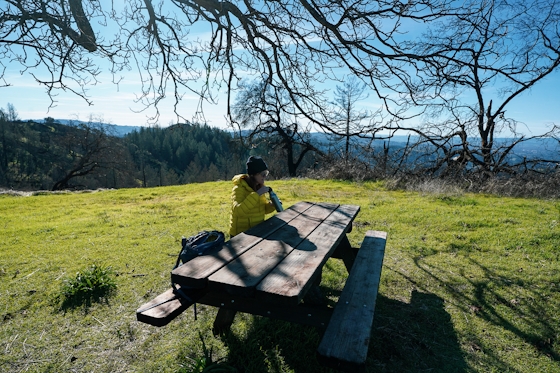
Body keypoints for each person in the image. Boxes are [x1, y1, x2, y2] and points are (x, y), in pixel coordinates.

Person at [228, 156, 276, 237]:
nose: (265, 177)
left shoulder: (259, 186)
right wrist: (256, 194)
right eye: (262, 174)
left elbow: (262, 210)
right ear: (253, 174)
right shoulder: (239, 188)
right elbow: (238, 211)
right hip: (240, 235)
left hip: (257, 231)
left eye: (266, 174)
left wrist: (272, 205)